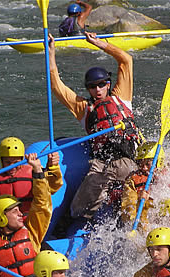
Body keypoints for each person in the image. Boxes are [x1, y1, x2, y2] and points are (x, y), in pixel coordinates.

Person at [49, 31, 141, 220]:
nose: (97, 90)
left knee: (128, 193)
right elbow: (57, 86)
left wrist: (99, 44)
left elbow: (126, 60)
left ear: (108, 84)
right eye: (92, 86)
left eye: (101, 84)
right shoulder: (84, 108)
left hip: (127, 159)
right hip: (100, 164)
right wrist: (51, 53)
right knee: (77, 211)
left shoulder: (121, 96)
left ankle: (120, 207)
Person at [0, 136, 63, 252]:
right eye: (7, 162)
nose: (12, 166)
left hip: (30, 227)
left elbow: (52, 188)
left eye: (16, 162)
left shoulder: (34, 173)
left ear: (22, 159)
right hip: (1, 231)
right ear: (1, 161)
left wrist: (52, 166)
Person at [121, 141, 165, 232]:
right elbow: (128, 215)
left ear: (159, 162)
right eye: (140, 163)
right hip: (146, 224)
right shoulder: (132, 181)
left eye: (148, 164)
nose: (144, 168)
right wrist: (140, 201)